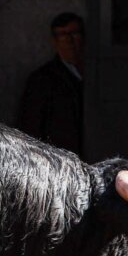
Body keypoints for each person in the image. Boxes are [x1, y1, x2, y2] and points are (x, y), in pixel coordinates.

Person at [18, 12, 84, 156]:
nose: (69, 40)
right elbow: (30, 128)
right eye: (62, 35)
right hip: (60, 160)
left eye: (74, 34)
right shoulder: (42, 80)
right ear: (55, 40)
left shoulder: (97, 74)